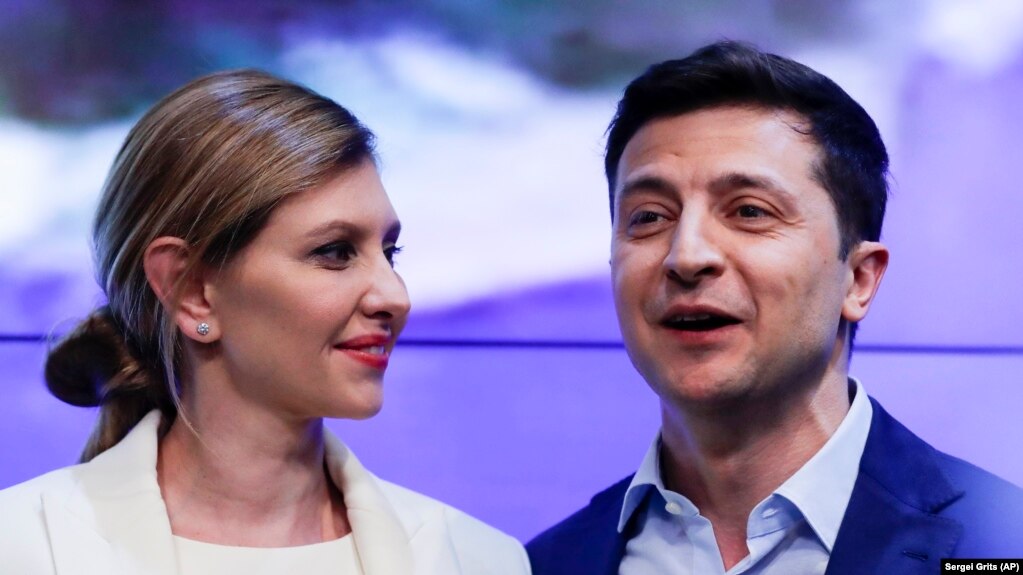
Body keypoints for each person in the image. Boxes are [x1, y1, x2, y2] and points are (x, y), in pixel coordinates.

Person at [0, 70, 530, 575]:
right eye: (335, 252)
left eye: (391, 251)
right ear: (192, 293)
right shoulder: (22, 547)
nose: (396, 295)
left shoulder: (478, 560)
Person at [527, 41, 1023, 574]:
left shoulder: (1000, 544)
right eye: (649, 217)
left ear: (857, 279)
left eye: (748, 211)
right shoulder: (544, 563)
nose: (686, 255)